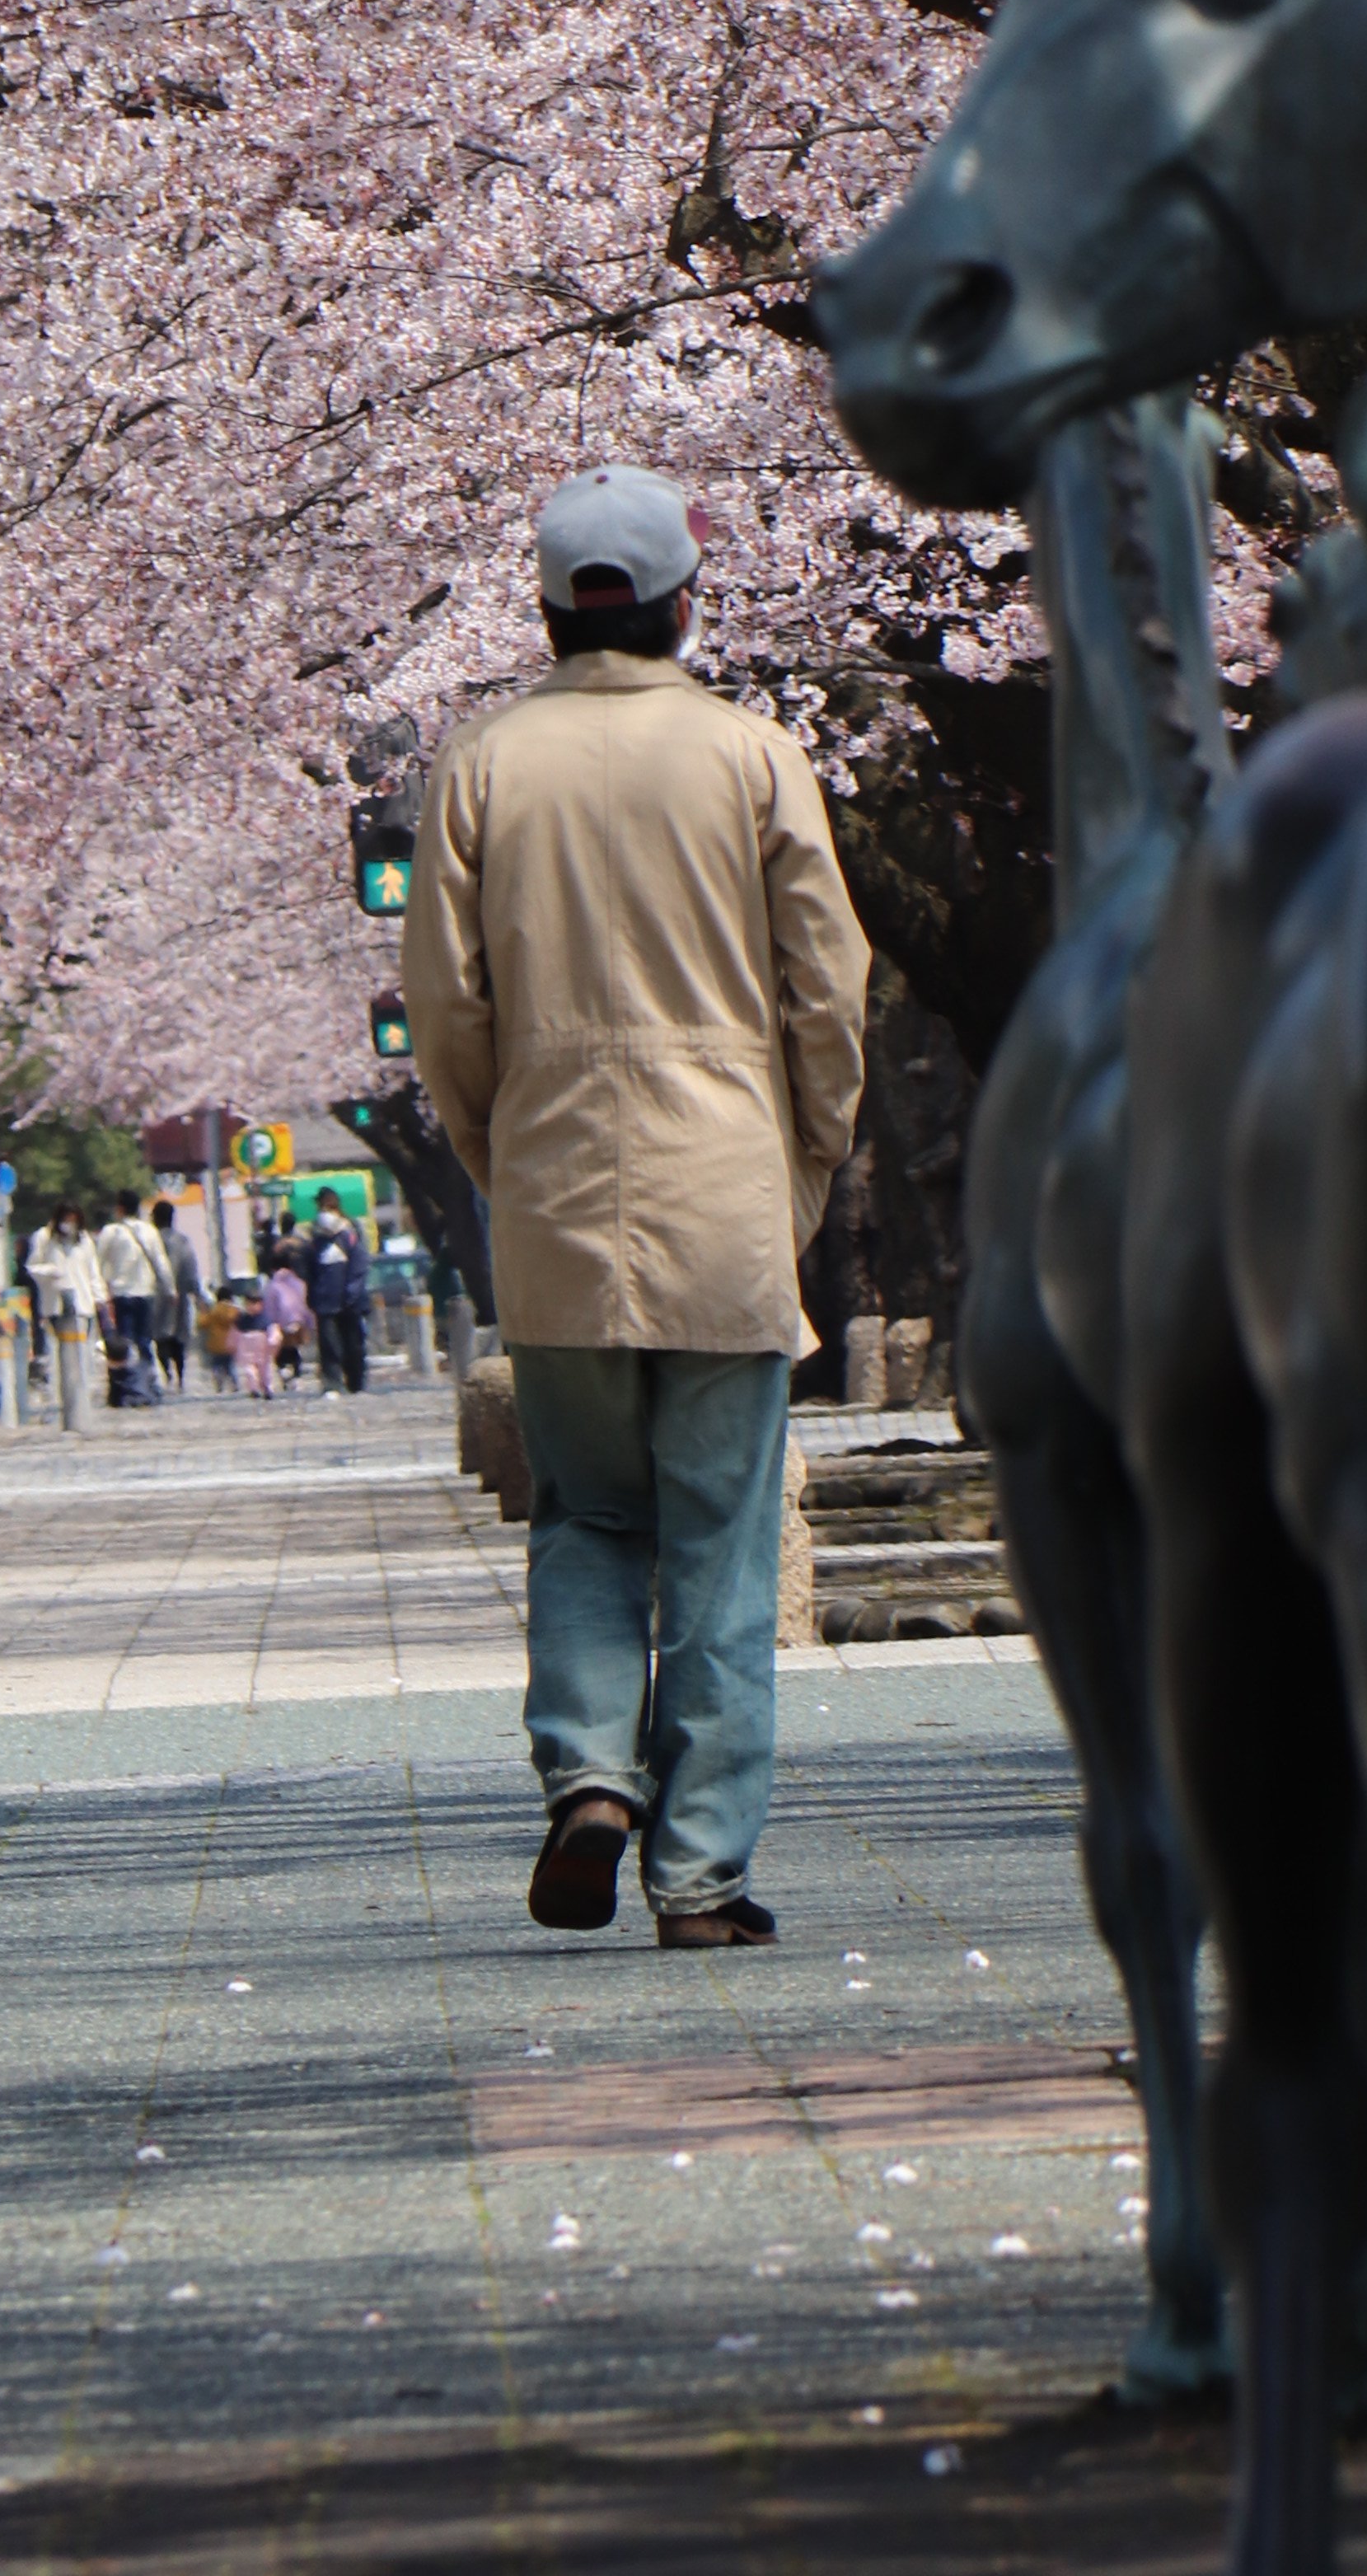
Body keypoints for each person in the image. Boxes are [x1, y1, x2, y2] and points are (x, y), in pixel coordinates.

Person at [400, 459, 868, 1951]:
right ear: (683, 600)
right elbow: (828, 988)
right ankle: (701, 1870)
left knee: (586, 1514)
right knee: (722, 1540)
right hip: (726, 1183)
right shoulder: (752, 754)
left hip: (552, 1189)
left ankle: (591, 1775)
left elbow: (445, 1008)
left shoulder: (480, 766)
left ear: (547, 609)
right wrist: (807, 1157)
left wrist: (502, 1154)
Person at [25, 1205, 108, 1403]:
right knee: (58, 1353)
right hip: (55, 1305)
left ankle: (81, 1397)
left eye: (73, 1220)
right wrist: (50, 1272)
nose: (69, 1225)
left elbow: (93, 1272)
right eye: (66, 1219)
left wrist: (99, 1298)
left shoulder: (84, 1240)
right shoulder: (44, 1238)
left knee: (83, 1353)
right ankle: (61, 1396)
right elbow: (32, 1267)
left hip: (83, 1304)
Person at [96, 1200, 167, 1405]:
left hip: (121, 1294)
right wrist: (170, 1289)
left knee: (123, 1344)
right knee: (145, 1342)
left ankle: (125, 1387)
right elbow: (160, 1261)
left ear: (120, 1209)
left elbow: (99, 1262)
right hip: (145, 1293)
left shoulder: (111, 1232)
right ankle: (149, 1386)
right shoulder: (149, 1231)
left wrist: (100, 1291)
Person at [301, 1190, 372, 1393]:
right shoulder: (315, 1240)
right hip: (325, 1301)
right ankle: (332, 1382)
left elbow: (360, 1265)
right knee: (329, 1345)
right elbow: (309, 1270)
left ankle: (356, 1382)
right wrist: (313, 1296)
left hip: (351, 1301)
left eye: (327, 1208)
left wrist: (351, 1293)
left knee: (354, 1345)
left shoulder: (350, 1233)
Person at [150, 1197, 207, 1391]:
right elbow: (191, 1269)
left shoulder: (151, 1241)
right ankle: (180, 1376)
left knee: (160, 1337)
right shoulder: (182, 1241)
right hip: (181, 1297)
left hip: (156, 1297)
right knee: (179, 1337)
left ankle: (167, 1374)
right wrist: (197, 1293)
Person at [260, 1251, 311, 1392]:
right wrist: (309, 1322)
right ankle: (296, 1376)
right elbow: (305, 1304)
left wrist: (268, 1324)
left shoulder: (272, 1285)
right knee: (295, 1349)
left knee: (280, 1351)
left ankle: (284, 1371)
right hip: (298, 1322)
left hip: (280, 1324)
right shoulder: (300, 1283)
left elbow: (270, 1307)